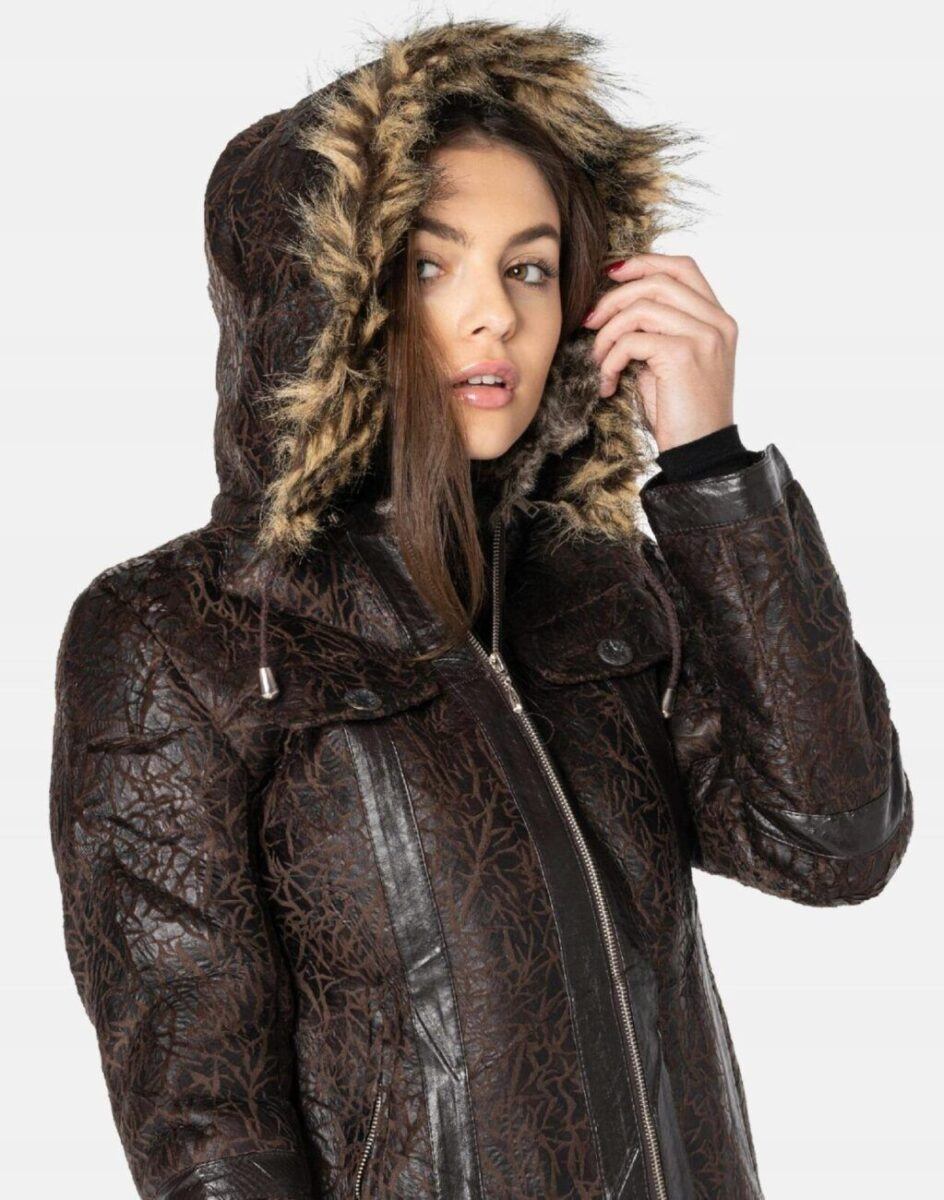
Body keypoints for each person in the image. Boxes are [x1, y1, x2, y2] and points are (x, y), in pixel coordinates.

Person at [48, 17, 914, 1200]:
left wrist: (710, 469)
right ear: (320, 298)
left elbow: (831, 843)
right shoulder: (176, 634)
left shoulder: (602, 582)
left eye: (529, 268)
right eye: (428, 266)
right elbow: (206, 1128)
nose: (492, 315)